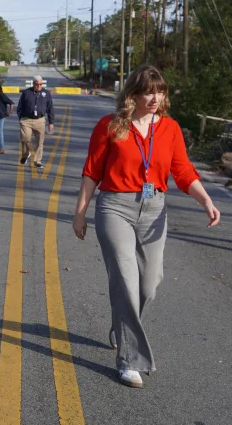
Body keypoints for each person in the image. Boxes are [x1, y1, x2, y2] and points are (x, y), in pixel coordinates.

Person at [71, 66, 221, 389]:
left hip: (154, 210)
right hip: (115, 207)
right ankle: (129, 361)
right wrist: (80, 212)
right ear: (133, 95)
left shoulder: (169, 129)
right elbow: (91, 172)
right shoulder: (110, 127)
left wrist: (205, 200)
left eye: (160, 91)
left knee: (149, 283)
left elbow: (183, 172)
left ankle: (121, 324)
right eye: (148, 92)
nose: (155, 98)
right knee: (125, 278)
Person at [17, 76, 54, 169]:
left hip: (40, 121)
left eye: (40, 84)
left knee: (40, 142)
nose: (39, 86)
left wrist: (51, 123)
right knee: (25, 139)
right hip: (26, 120)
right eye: (37, 84)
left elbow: (50, 109)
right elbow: (20, 106)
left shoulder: (46, 94)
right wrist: (20, 117)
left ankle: (37, 160)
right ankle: (26, 154)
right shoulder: (26, 93)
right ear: (33, 84)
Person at [0, 83, 14, 154]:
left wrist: (10, 112)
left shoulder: (2, 95)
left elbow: (11, 103)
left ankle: (1, 148)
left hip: (1, 116)